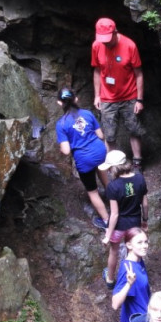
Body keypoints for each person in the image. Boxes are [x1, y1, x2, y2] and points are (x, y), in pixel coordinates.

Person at [91, 17, 145, 169]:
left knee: (134, 130)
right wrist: (97, 95)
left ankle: (137, 162)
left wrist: (139, 100)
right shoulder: (97, 45)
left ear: (115, 32)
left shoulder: (129, 45)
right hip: (107, 97)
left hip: (129, 96)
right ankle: (113, 166)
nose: (105, 43)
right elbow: (97, 71)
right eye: (102, 39)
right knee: (109, 135)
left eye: (107, 39)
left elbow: (139, 74)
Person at [54, 87, 110, 229]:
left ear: (59, 103)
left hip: (84, 159)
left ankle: (106, 221)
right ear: (76, 99)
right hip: (100, 151)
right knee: (102, 173)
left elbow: (66, 150)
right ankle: (114, 199)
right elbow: (101, 135)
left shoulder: (61, 124)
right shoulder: (87, 113)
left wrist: (62, 147)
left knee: (93, 192)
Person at [99, 150, 148, 289]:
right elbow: (145, 203)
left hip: (119, 227)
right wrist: (145, 220)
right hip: (135, 224)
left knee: (114, 251)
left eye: (109, 168)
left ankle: (110, 280)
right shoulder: (140, 179)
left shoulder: (113, 186)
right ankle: (133, 278)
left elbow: (114, 214)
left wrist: (107, 236)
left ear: (115, 168)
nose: (108, 171)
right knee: (133, 252)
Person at [105, 227, 150, 322]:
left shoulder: (139, 260)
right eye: (139, 242)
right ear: (129, 245)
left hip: (143, 311)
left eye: (146, 242)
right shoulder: (127, 269)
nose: (144, 246)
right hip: (136, 317)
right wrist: (129, 284)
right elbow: (115, 304)